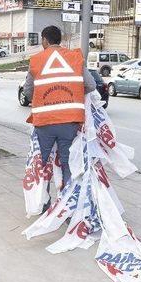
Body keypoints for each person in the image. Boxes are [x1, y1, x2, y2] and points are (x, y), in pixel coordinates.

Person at [23, 26, 97, 211]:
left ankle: (43, 204)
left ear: (45, 40)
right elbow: (90, 84)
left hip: (44, 123)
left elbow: (28, 91)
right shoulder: (74, 58)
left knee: (43, 162)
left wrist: (45, 98)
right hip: (70, 121)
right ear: (60, 40)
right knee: (67, 162)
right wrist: (72, 94)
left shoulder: (36, 61)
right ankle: (68, 207)